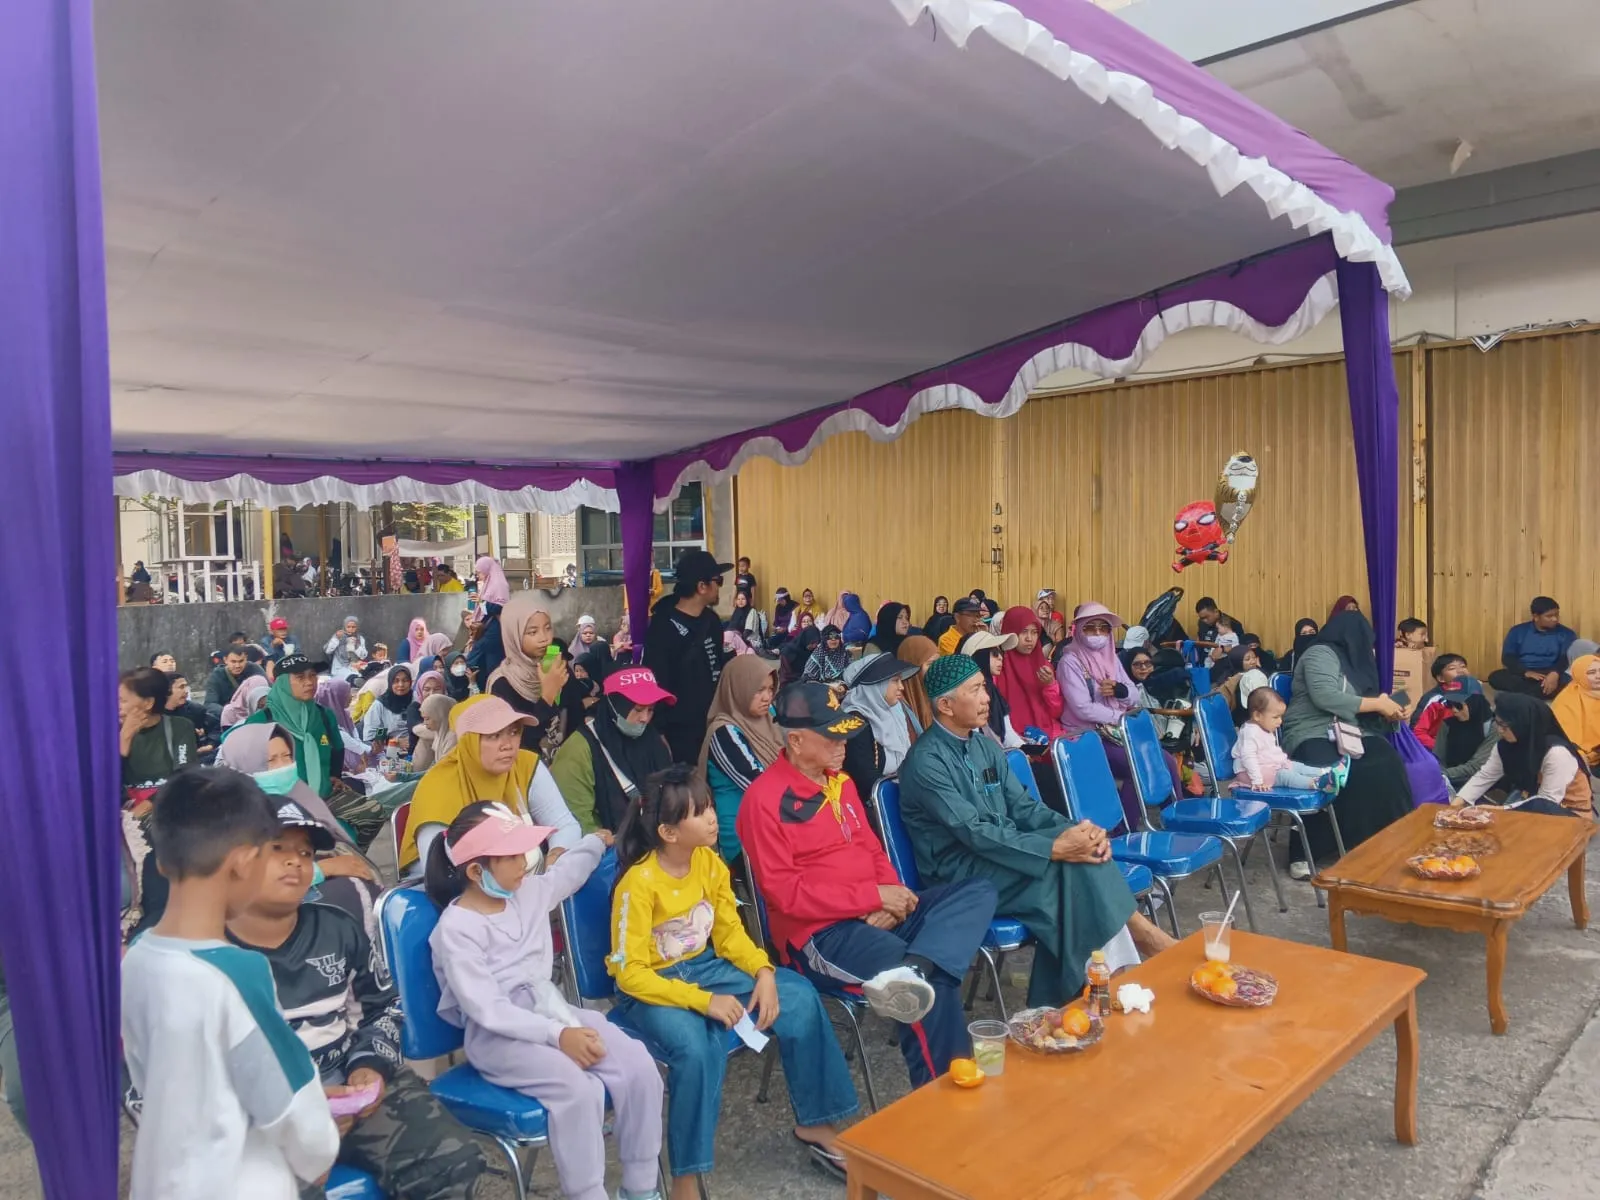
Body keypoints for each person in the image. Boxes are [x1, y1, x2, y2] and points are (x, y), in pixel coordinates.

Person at [609, 765, 859, 1195]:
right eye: (700, 812)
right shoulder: (639, 883)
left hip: (705, 967)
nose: (712, 818)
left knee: (796, 993)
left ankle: (817, 1124)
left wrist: (762, 970)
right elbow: (629, 972)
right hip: (652, 985)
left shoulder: (708, 861)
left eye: (709, 807)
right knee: (695, 1047)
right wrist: (703, 1002)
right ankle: (686, 1177)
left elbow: (727, 932)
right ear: (669, 832)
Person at [739, 683, 997, 1087]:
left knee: (978, 891)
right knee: (930, 984)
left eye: (845, 732)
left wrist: (895, 896)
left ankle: (919, 965)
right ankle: (944, 1094)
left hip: (879, 913)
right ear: (795, 739)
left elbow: (872, 850)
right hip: (822, 936)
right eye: (833, 735)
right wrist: (870, 898)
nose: (844, 744)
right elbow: (785, 895)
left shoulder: (839, 782)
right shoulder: (764, 800)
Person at [225, 803, 487, 1198]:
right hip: (265, 1119)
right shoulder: (209, 957)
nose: (295, 862)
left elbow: (383, 1007)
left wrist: (369, 1066)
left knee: (451, 1162)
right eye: (278, 848)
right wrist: (297, 1112)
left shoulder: (337, 930)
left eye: (305, 853)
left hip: (352, 1091)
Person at [898, 656, 1175, 1008]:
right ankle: (1133, 949)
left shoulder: (983, 745)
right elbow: (975, 832)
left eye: (984, 687)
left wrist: (1077, 833)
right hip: (959, 873)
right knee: (1065, 873)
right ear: (946, 705)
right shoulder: (926, 762)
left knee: (1080, 862)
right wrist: (1057, 849)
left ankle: (1085, 992)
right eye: (976, 690)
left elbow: (1024, 808)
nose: (987, 698)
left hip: (1004, 854)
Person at [427, 803, 664, 1200]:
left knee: (639, 1065)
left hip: (552, 1012)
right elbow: (488, 1009)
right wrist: (560, 1036)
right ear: (475, 871)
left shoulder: (528, 892)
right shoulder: (457, 929)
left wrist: (594, 842)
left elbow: (567, 874)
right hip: (497, 1038)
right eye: (512, 856)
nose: (525, 862)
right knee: (579, 1089)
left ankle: (641, 1188)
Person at [121, 770, 339, 1199]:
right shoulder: (237, 973)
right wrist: (318, 1153)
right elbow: (290, 1105)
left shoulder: (137, 959)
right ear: (244, 862)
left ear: (163, 862)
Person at [1280, 611, 1415, 876]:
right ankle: (1304, 852)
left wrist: (1393, 711)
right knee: (1326, 771)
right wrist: (1378, 703)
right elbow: (1324, 696)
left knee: (1386, 762)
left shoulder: (1360, 662)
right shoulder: (1320, 653)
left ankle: (1386, 840)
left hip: (1352, 730)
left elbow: (1370, 700)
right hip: (1311, 729)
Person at [399, 695, 581, 874]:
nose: (507, 745)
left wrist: (557, 856)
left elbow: (564, 823)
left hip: (521, 883)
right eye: (494, 736)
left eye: (514, 732)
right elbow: (440, 868)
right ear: (469, 741)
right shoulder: (436, 786)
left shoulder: (526, 764)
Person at [1054, 602, 1182, 831]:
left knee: (1167, 761)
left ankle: (1175, 819)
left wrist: (1119, 691)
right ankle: (1124, 833)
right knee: (1138, 765)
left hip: (1116, 733)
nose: (1097, 634)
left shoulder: (1112, 659)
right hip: (1087, 736)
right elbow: (1082, 708)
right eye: (1090, 628)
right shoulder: (1070, 662)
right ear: (1079, 630)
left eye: (1103, 628)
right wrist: (1118, 716)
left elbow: (1133, 695)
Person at [550, 667, 675, 835]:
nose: (645, 718)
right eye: (638, 709)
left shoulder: (652, 741)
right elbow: (576, 822)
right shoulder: (579, 749)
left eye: (650, 709)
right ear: (615, 705)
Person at [644, 549, 732, 765]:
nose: (720, 585)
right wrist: (659, 731)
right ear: (701, 586)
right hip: (678, 733)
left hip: (712, 724)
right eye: (718, 580)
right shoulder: (662, 625)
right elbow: (655, 680)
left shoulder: (711, 621)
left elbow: (717, 665)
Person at [697, 656, 782, 862]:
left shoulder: (769, 715)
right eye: (759, 690)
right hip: (745, 834)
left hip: (784, 818)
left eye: (770, 689)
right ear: (738, 688)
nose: (767, 697)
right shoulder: (724, 732)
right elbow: (759, 785)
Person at [1455, 693, 1594, 817]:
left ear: (1523, 724)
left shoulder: (1557, 753)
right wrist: (1458, 801)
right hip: (1529, 798)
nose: (1499, 730)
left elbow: (1547, 802)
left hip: (1567, 812)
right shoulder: (1504, 745)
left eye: (1504, 725)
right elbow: (1486, 775)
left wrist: (1502, 809)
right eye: (1497, 723)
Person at [484, 593, 568, 754]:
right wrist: (547, 697)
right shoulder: (503, 683)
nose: (544, 638)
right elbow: (517, 742)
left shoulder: (554, 666)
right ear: (513, 635)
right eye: (532, 632)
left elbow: (571, 718)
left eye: (548, 628)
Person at [839, 653, 923, 801]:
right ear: (876, 685)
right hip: (879, 803)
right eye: (895, 681)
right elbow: (866, 781)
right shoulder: (855, 723)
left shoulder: (895, 711)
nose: (901, 687)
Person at [121, 667, 200, 808]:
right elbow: (103, 783)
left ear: (148, 703)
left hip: (166, 808)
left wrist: (146, 806)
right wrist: (124, 738)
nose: (117, 706)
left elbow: (185, 777)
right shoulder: (110, 734)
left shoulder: (180, 727)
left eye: (123, 701)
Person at [1234, 690, 1339, 792]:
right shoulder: (1250, 733)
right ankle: (1317, 783)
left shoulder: (1263, 727)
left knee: (1296, 766)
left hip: (1266, 767)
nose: (1280, 721)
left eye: (1280, 717)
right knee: (1285, 776)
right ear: (1257, 715)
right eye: (1275, 717)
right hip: (1250, 774)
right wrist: (1257, 780)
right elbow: (1248, 757)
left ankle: (1327, 772)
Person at [995, 606, 1064, 741]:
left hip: (1046, 736)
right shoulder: (998, 667)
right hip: (1012, 739)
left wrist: (1050, 685)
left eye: (1034, 632)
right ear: (1010, 632)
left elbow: (1056, 712)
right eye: (1023, 632)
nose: (1029, 639)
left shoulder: (1043, 667)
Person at [1489, 596, 1578, 699]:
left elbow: (1565, 658)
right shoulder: (1517, 631)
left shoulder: (1567, 633)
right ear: (1536, 617)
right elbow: (1508, 657)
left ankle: (1522, 696)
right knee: (1495, 677)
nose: (1555, 619)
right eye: (1549, 616)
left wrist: (1555, 674)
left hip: (1551, 673)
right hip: (1525, 673)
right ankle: (1537, 693)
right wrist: (1525, 672)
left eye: (1556, 615)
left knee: (1570, 681)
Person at [1428, 680, 1498, 790]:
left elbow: (1476, 766)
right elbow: (1438, 758)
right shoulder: (1448, 724)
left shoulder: (1494, 727)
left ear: (1474, 703)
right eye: (1450, 705)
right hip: (1447, 782)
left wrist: (1442, 774)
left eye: (1458, 705)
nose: (1454, 710)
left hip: (1479, 786)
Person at [958, 629, 1023, 747]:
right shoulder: (963, 694)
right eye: (994, 653)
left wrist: (1024, 750)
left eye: (1001, 653)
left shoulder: (993, 691)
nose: (1001, 658)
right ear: (979, 655)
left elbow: (1008, 735)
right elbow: (973, 741)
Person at [465, 556, 512, 682]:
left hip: (495, 630)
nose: (478, 575)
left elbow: (500, 608)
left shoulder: (499, 584)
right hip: (488, 629)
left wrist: (481, 601)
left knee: (484, 659)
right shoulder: (488, 583)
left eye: (479, 572)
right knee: (488, 662)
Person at [1552, 653, 1600, 770]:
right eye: (1591, 673)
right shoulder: (1566, 699)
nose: (1598, 676)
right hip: (1581, 756)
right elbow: (1565, 736)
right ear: (1579, 675)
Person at [203, 645, 265, 729]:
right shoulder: (217, 676)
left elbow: (270, 692)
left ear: (246, 658)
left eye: (241, 661)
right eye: (233, 662)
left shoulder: (255, 669)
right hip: (230, 720)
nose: (237, 665)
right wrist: (231, 713)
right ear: (225, 660)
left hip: (256, 716)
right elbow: (210, 704)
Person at [361, 663, 416, 750]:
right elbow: (372, 736)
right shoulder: (381, 705)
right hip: (389, 751)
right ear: (390, 683)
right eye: (396, 681)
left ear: (410, 682)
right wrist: (395, 741)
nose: (401, 685)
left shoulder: (416, 699)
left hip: (416, 748)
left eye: (405, 680)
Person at [895, 634, 941, 732]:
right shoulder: (897, 709)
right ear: (912, 667)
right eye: (931, 664)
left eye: (938, 663)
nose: (937, 669)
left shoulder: (937, 698)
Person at [164, 672, 215, 755]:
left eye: (186, 686)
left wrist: (210, 744)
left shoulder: (196, 710)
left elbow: (215, 728)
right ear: (167, 690)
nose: (186, 691)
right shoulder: (154, 715)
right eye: (181, 687)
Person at [410, 693, 458, 773]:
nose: (425, 723)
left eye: (427, 719)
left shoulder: (453, 737)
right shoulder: (440, 732)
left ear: (440, 715)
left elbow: (443, 770)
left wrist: (408, 777)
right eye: (424, 719)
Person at [724, 590, 769, 654]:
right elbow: (731, 627)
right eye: (738, 599)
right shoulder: (737, 611)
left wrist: (737, 640)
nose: (740, 601)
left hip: (750, 641)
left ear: (747, 600)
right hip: (738, 638)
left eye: (743, 599)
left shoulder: (752, 611)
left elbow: (748, 631)